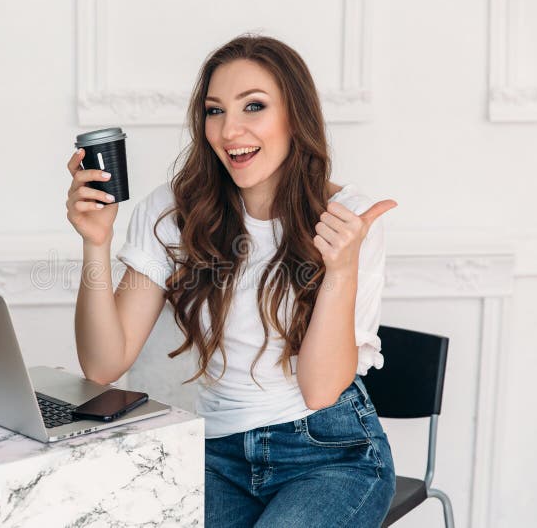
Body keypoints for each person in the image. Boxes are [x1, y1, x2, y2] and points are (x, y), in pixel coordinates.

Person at [65, 33, 398, 528]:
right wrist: (95, 243)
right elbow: (102, 364)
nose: (229, 130)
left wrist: (340, 270)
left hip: (329, 454)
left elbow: (321, 390)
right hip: (217, 453)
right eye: (214, 110)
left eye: (254, 106)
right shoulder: (174, 211)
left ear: (295, 117)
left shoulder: (347, 219)